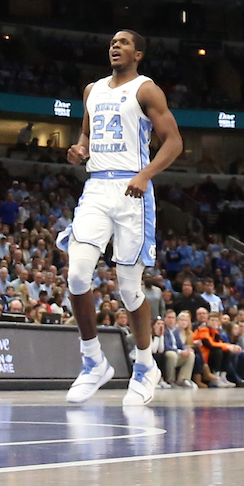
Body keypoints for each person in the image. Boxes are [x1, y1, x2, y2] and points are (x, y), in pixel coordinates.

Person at [63, 30, 182, 406]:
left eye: (124, 43)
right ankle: (93, 360)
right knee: (78, 274)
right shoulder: (91, 90)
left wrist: (145, 175)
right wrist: (80, 149)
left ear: (139, 54)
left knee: (130, 289)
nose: (116, 46)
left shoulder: (147, 90)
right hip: (97, 187)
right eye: (113, 42)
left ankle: (146, 366)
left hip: (133, 192)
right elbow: (85, 131)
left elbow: (174, 142)